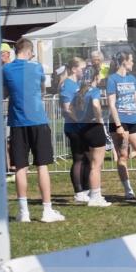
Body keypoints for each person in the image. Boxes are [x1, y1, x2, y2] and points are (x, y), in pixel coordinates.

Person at [2, 39, 64, 222]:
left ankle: (24, 211)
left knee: (20, 166)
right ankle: (47, 210)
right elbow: (42, 88)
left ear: (15, 51)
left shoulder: (5, 70)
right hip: (37, 119)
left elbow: (4, 93)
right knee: (42, 165)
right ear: (29, 52)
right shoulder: (37, 68)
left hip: (17, 122)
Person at [106, 52, 136, 200]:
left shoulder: (132, 78)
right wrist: (118, 125)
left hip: (134, 120)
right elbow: (111, 104)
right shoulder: (112, 79)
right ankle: (128, 189)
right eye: (131, 60)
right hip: (119, 121)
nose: (133, 63)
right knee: (123, 156)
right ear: (124, 61)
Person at [73, 72, 111, 207]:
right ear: (94, 78)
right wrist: (100, 120)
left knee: (91, 163)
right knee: (96, 165)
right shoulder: (94, 91)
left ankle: (93, 193)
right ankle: (95, 196)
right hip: (94, 128)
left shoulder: (78, 92)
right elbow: (96, 105)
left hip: (81, 129)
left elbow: (71, 108)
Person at [59, 57, 90, 202]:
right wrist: (78, 120)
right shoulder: (67, 84)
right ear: (73, 69)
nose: (84, 71)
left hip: (82, 126)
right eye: (82, 69)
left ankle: (86, 189)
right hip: (73, 127)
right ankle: (79, 191)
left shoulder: (77, 83)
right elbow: (66, 108)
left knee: (87, 158)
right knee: (78, 158)